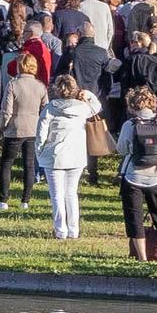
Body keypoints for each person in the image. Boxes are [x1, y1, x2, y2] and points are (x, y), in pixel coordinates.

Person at [111, 83, 157, 261]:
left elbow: (122, 149)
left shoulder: (129, 125)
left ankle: (142, 257)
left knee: (135, 217)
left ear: (132, 105)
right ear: (153, 103)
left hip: (134, 175)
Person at [42, 78, 97, 239]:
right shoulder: (83, 109)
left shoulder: (50, 108)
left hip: (54, 156)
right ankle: (74, 230)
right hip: (76, 155)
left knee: (57, 195)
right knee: (71, 193)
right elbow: (97, 105)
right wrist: (86, 93)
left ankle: (61, 230)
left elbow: (41, 132)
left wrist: (40, 151)